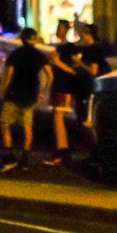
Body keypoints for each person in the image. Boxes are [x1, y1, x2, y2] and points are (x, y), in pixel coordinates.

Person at [0, 28, 52, 172]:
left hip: (13, 94)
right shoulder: (39, 55)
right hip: (31, 95)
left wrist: (2, 90)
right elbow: (50, 76)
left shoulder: (16, 54)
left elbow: (9, 75)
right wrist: (42, 93)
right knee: (27, 128)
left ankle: (9, 155)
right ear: (34, 39)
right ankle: (25, 159)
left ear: (22, 39)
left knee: (5, 124)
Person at [45, 19, 79, 166]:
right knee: (57, 118)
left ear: (65, 29)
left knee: (59, 118)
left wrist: (57, 62)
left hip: (65, 87)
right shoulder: (57, 48)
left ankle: (62, 151)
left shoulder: (70, 48)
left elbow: (73, 70)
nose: (58, 31)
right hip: (58, 86)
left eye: (60, 28)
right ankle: (61, 150)